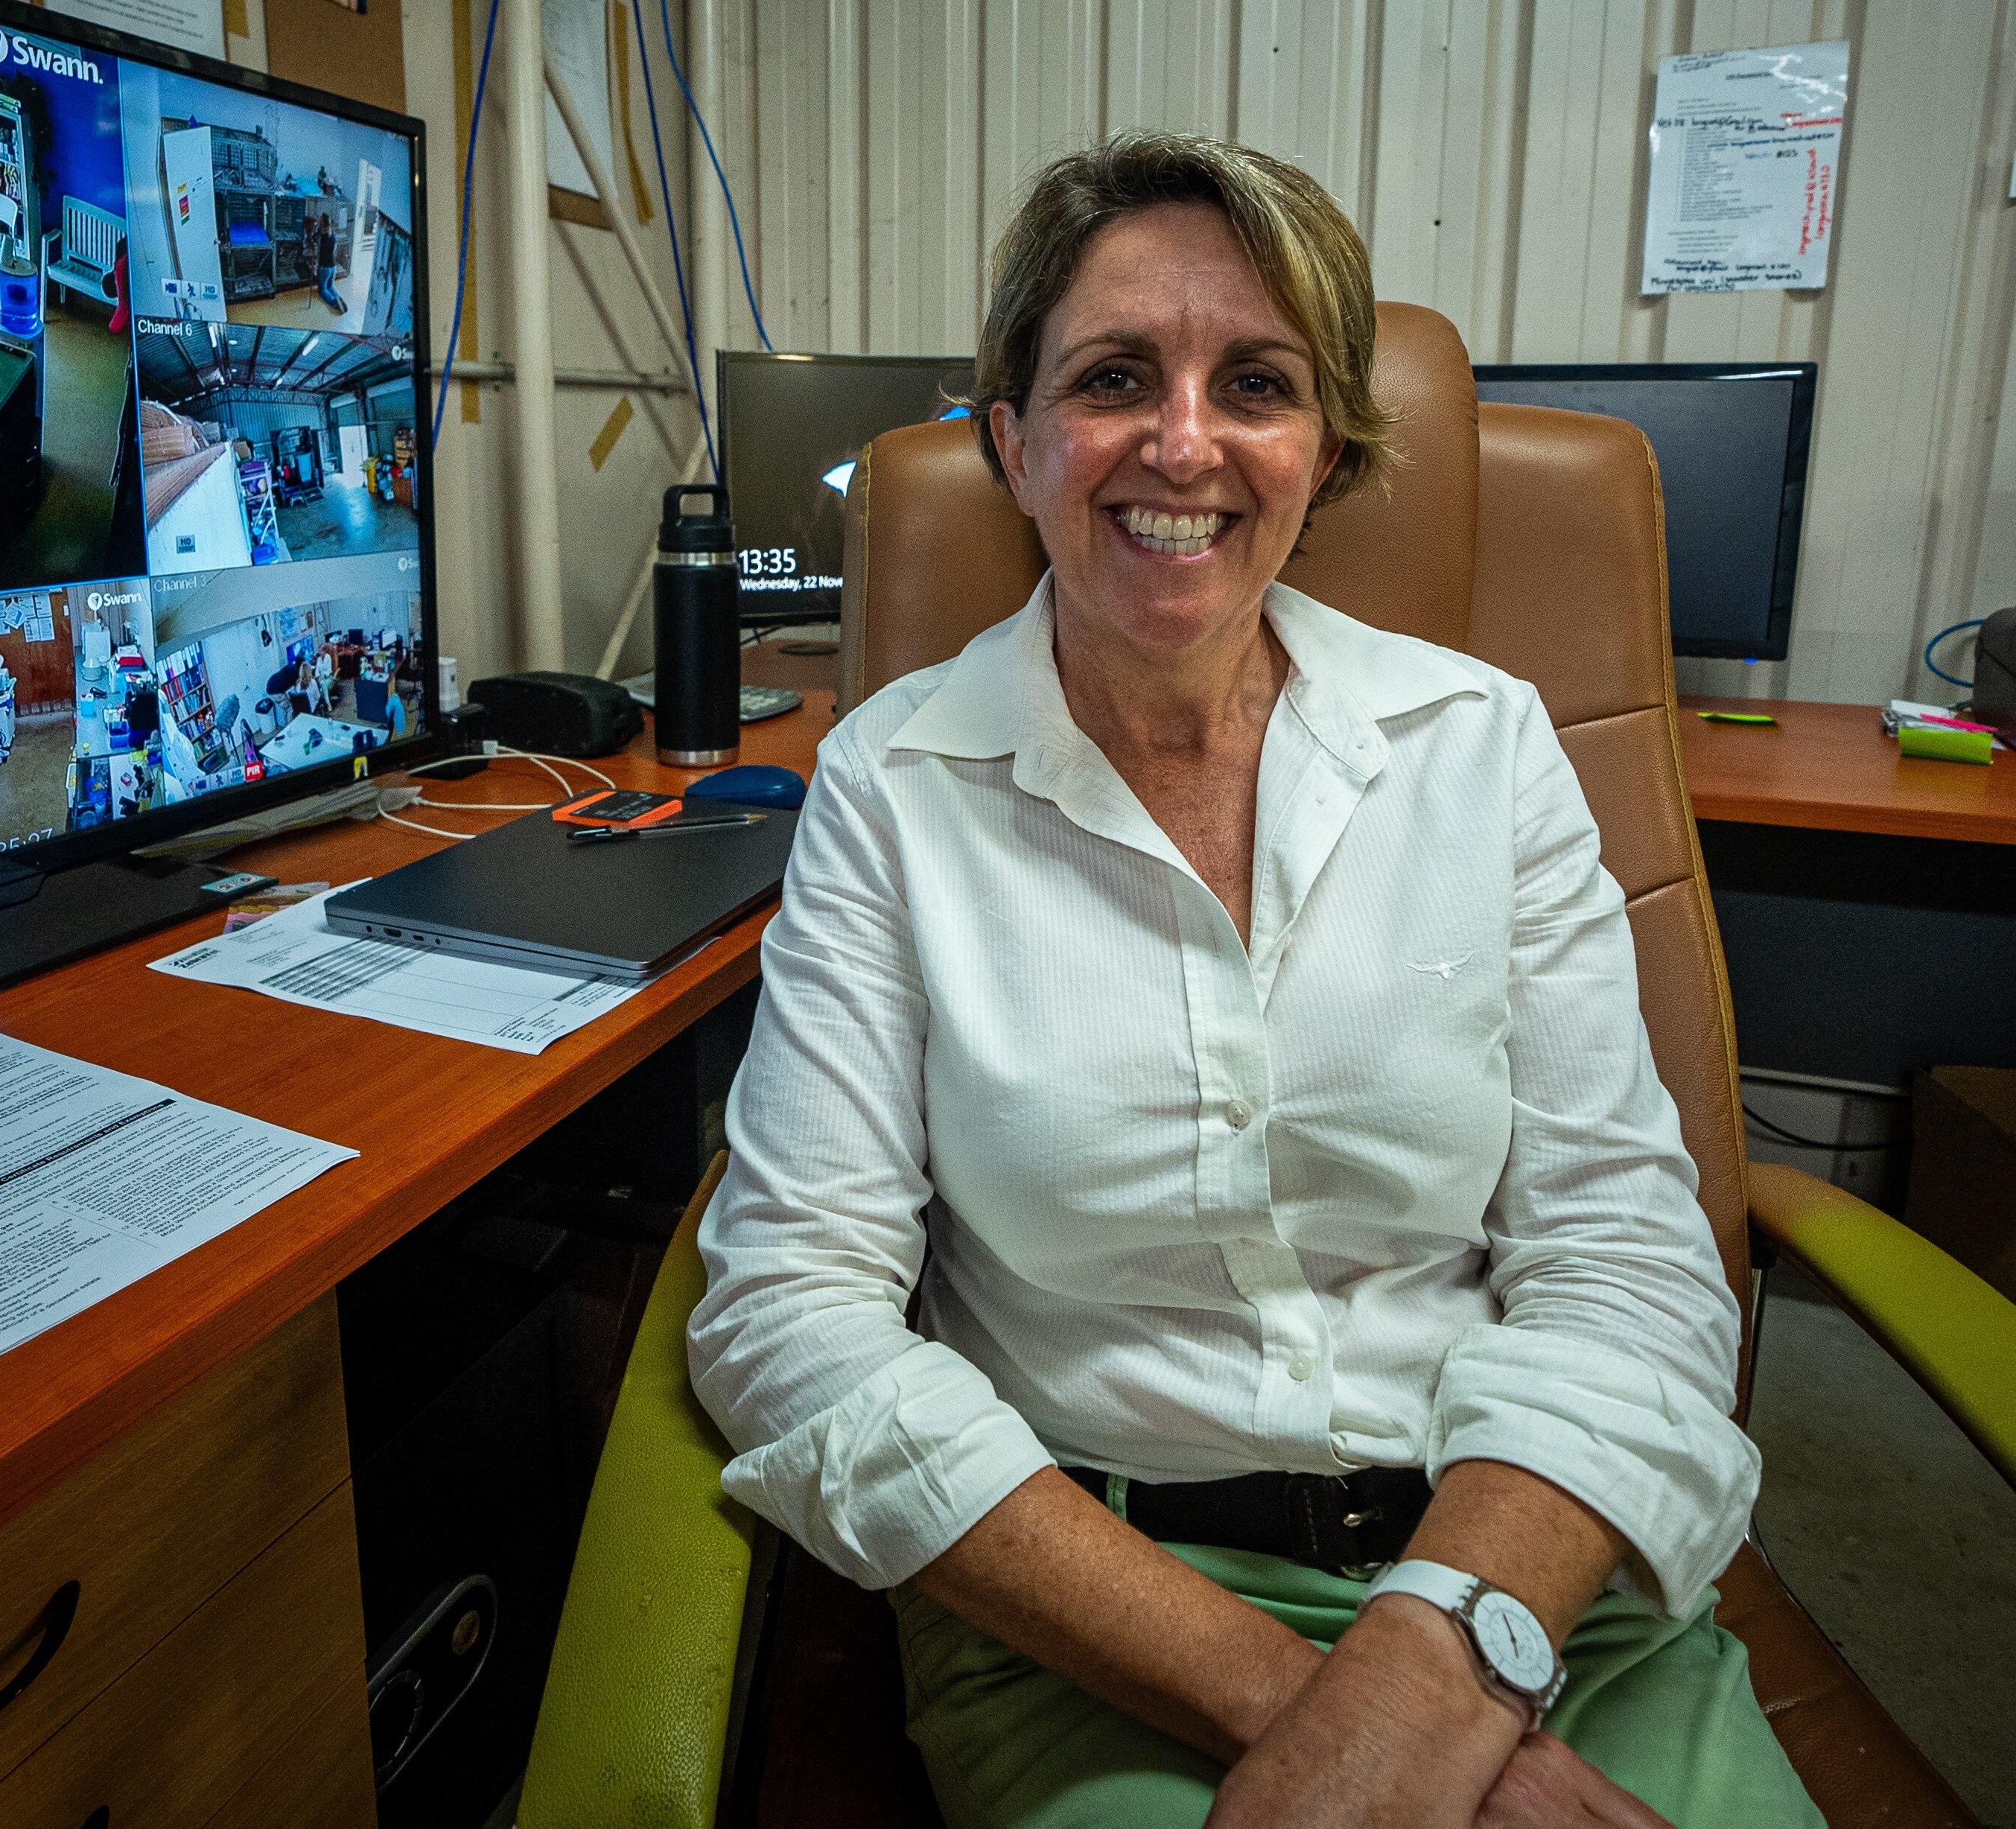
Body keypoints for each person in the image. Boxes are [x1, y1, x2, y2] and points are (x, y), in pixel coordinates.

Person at [686, 133, 1817, 1829]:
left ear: (1329, 448)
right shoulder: (892, 785)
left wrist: (1449, 1657)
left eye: (1260, 382)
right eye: (1116, 375)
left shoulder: (1483, 746)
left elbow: (1626, 1256)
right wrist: (1334, 1714)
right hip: (1093, 1607)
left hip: (1528, 1575)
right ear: (1011, 439)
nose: (1186, 439)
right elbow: (792, 1312)